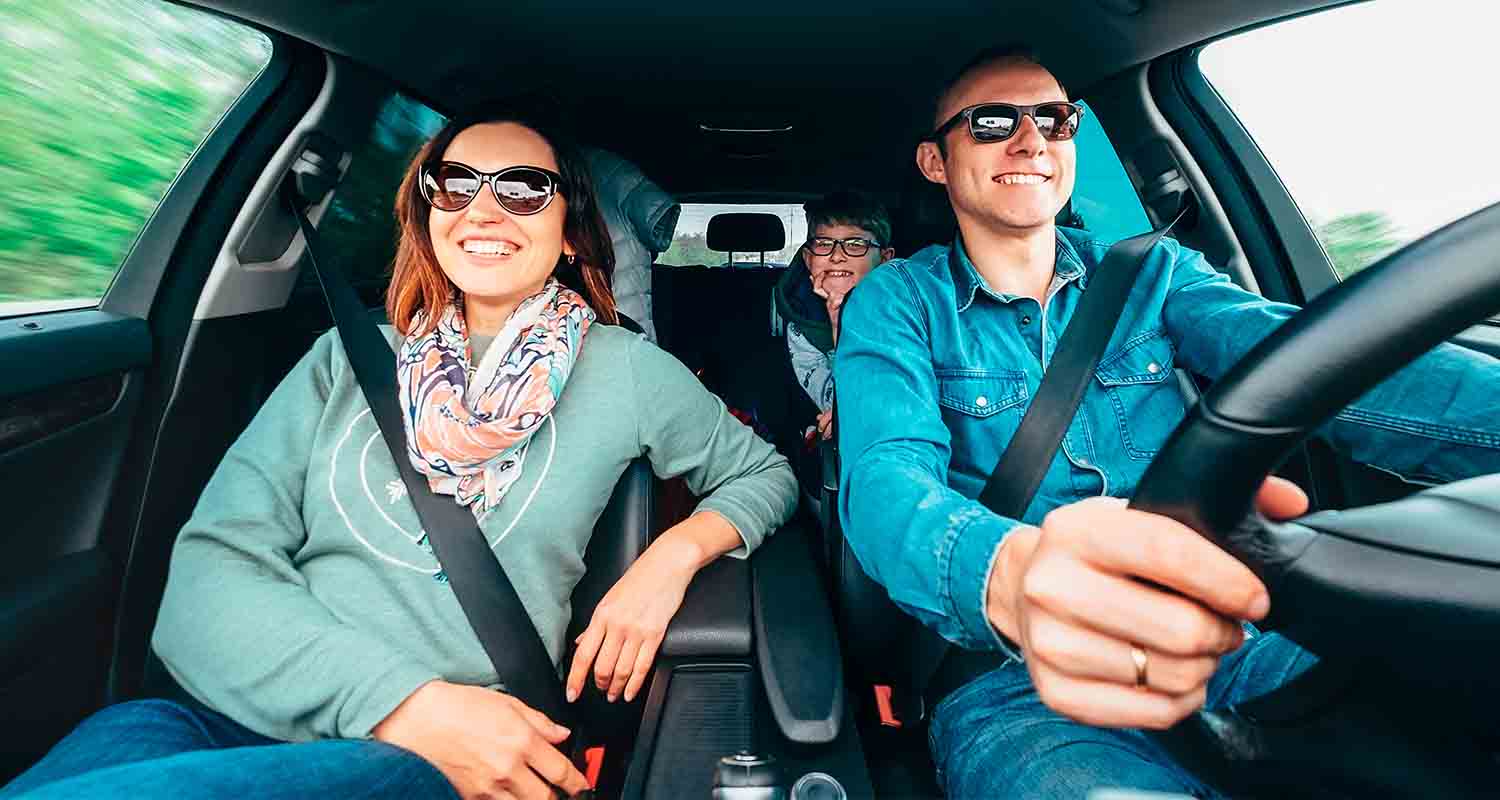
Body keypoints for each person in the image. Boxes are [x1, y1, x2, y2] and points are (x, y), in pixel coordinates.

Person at [1, 106, 797, 800]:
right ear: (428, 214)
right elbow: (209, 578)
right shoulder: (344, 359)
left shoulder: (625, 370)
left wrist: (671, 557)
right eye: (456, 185)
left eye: (523, 189)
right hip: (220, 714)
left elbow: (763, 471)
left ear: (568, 234)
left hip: (439, 756)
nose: (486, 210)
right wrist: (397, 698)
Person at [833, 46, 1500, 798]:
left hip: (1226, 645)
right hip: (1020, 685)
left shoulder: (1157, 275)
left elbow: (1321, 366)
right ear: (935, 160)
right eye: (992, 123)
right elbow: (886, 480)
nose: (1031, 142)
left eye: (1055, 119)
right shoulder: (897, 301)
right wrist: (1011, 577)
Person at [773, 190, 894, 441]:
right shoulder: (803, 324)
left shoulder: (906, 313)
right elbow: (835, 402)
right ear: (808, 259)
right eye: (824, 244)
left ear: (884, 260)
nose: (837, 256)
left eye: (855, 244)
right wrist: (838, 321)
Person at [583, 147, 680, 343]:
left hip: (620, 309)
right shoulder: (609, 171)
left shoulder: (602, 169)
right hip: (625, 310)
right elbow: (658, 232)